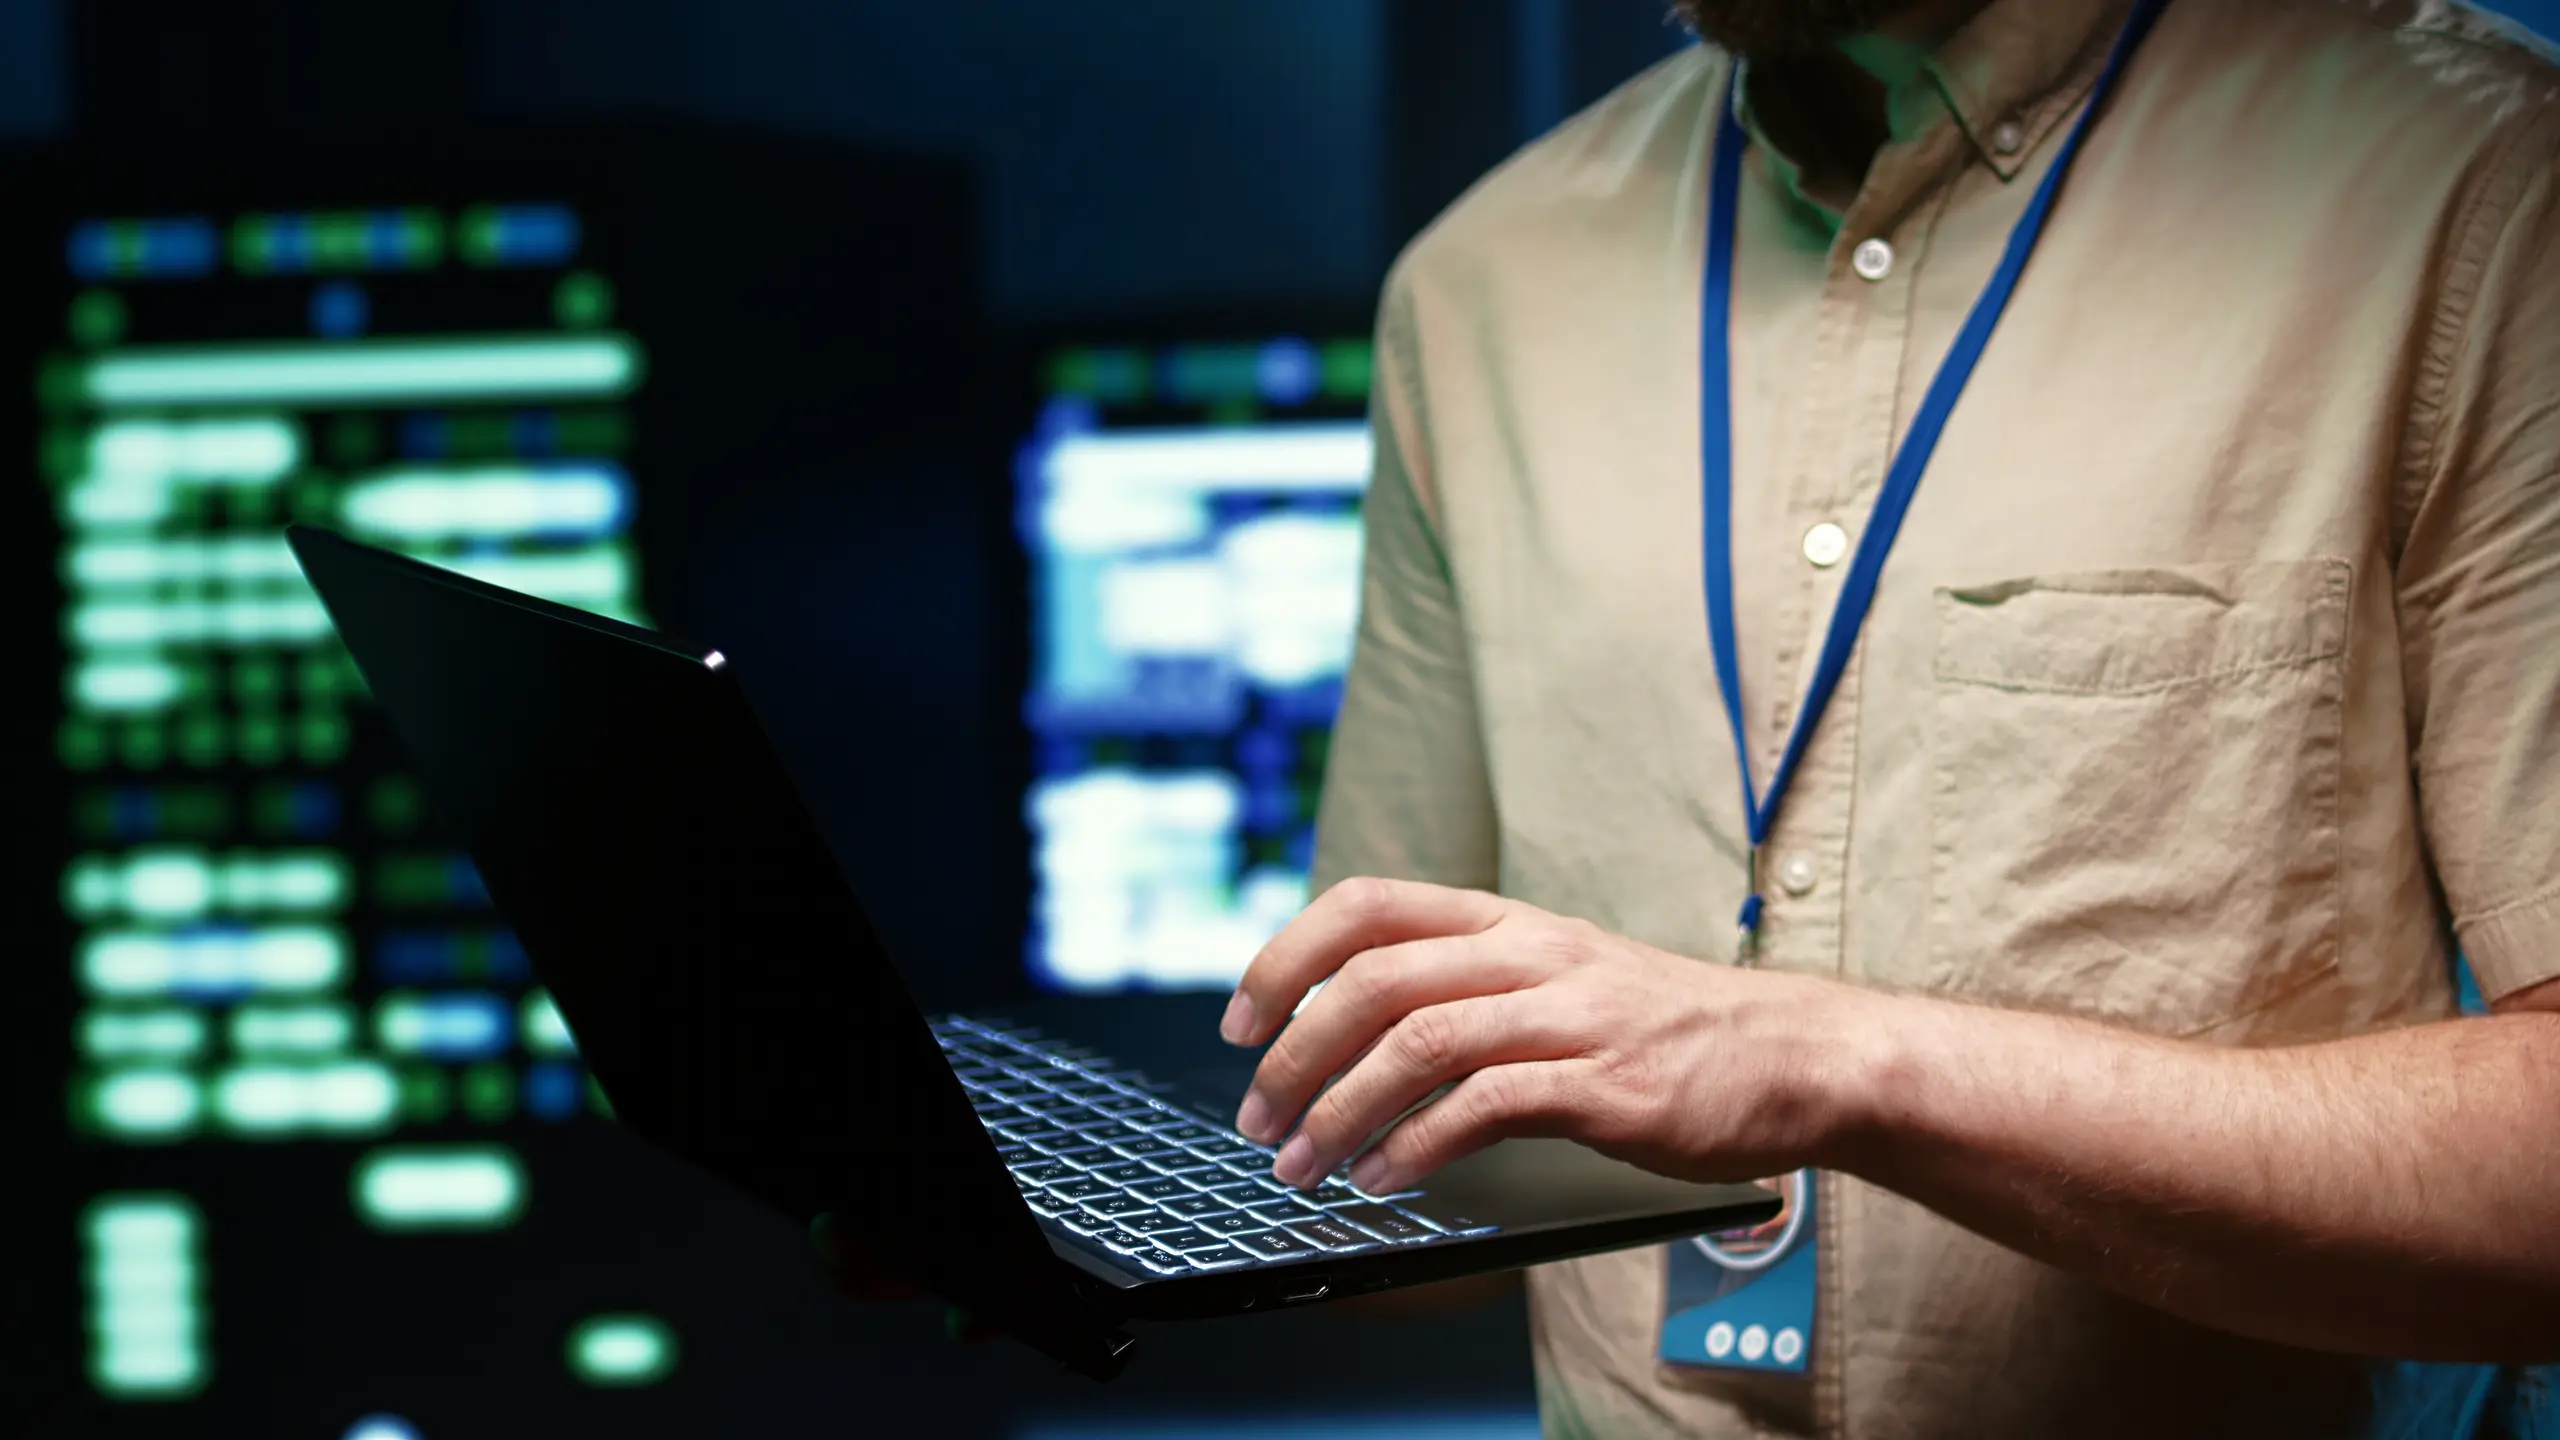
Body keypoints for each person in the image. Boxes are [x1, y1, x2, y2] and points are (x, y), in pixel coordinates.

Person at [1211, 0, 2560, 1435]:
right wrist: (1047, 1238)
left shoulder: (2472, 183)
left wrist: (1833, 1060)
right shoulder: (1480, 283)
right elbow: (1375, 1178)